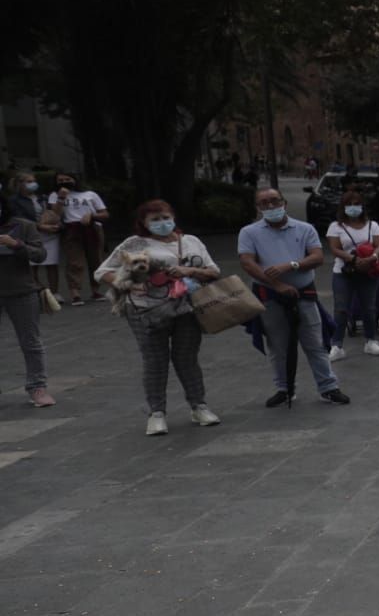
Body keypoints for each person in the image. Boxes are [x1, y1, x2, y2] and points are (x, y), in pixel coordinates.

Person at [97, 200, 222, 435]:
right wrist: (129, 285)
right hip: (146, 311)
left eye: (165, 217)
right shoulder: (134, 244)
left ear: (173, 217)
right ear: (143, 223)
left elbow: (214, 271)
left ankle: (199, 406)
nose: (162, 223)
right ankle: (156, 413)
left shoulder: (191, 241)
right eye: (154, 219)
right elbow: (102, 271)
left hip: (186, 308)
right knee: (155, 360)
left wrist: (190, 271)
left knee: (187, 358)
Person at [237, 188, 350, 408]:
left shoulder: (304, 228)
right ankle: (284, 388)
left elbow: (317, 256)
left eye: (274, 201)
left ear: (284, 202)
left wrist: (291, 265)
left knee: (315, 343)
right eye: (264, 203)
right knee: (278, 345)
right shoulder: (249, 232)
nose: (270, 206)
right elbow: (247, 262)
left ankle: (328, 387)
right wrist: (277, 284)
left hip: (303, 293)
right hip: (269, 295)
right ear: (257, 208)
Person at [0, 202, 52, 407]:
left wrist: (16, 245)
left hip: (21, 290)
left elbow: (40, 255)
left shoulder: (24, 226)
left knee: (30, 342)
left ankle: (37, 387)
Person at [324, 188, 379, 360]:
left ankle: (371, 341)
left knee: (369, 307)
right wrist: (352, 259)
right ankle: (336, 345)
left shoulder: (372, 225)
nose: (353, 208)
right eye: (349, 205)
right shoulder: (336, 227)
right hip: (344, 272)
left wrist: (372, 257)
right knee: (341, 309)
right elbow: (334, 248)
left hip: (368, 271)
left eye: (356, 204)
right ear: (343, 207)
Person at [55, 174, 108, 305]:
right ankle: (75, 293)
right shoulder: (54, 195)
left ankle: (96, 291)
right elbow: (54, 215)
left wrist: (92, 215)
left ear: (75, 180)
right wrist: (61, 197)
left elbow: (105, 214)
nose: (64, 182)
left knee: (95, 260)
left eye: (68, 179)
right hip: (71, 230)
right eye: (60, 180)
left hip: (92, 228)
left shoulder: (90, 194)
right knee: (74, 262)